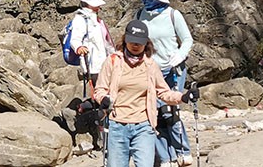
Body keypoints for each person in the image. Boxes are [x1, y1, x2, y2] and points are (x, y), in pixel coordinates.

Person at [84, 20, 199, 167]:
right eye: (132, 41)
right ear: (125, 40)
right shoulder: (112, 61)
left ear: (146, 43)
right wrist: (103, 99)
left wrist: (183, 97)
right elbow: (100, 89)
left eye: (140, 42)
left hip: (144, 126)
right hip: (117, 125)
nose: (136, 45)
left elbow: (163, 92)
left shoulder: (150, 65)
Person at [133, 0, 195, 167]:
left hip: (173, 69)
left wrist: (180, 54)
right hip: (150, 70)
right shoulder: (139, 15)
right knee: (154, 112)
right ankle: (164, 157)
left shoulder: (172, 15)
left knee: (170, 110)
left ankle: (182, 151)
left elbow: (187, 40)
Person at [70, 0, 116, 88]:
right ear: (86, 4)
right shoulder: (80, 19)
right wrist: (79, 47)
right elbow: (75, 39)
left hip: (105, 63)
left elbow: (106, 42)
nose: (99, 7)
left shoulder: (97, 19)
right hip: (93, 65)